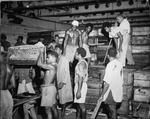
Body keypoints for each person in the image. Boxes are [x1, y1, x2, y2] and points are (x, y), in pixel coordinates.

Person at [98, 47, 123, 119]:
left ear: (108, 55)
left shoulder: (109, 65)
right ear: (115, 55)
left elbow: (107, 84)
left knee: (112, 110)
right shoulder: (119, 64)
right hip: (117, 89)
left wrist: (102, 95)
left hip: (111, 91)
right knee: (112, 109)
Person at [37, 49, 58, 119]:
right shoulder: (53, 66)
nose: (46, 59)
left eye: (48, 57)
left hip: (48, 89)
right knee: (53, 107)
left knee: (47, 110)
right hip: (50, 88)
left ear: (53, 57)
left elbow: (38, 64)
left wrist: (39, 53)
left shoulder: (52, 66)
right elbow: (43, 76)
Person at [55, 44, 73, 119]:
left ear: (61, 51)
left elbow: (67, 72)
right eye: (55, 49)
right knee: (58, 99)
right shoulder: (56, 59)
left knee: (63, 100)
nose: (55, 51)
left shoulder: (64, 59)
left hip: (63, 82)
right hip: (57, 81)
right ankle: (58, 114)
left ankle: (62, 114)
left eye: (57, 49)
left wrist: (63, 82)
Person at [0, 52, 15, 119]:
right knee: (8, 114)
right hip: (7, 93)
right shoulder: (10, 69)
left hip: (2, 94)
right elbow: (13, 85)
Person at [74, 47, 88, 119]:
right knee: (79, 105)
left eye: (75, 53)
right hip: (80, 85)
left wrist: (79, 91)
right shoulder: (83, 62)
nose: (74, 54)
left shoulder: (81, 64)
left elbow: (80, 78)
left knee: (82, 106)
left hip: (80, 85)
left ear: (78, 54)